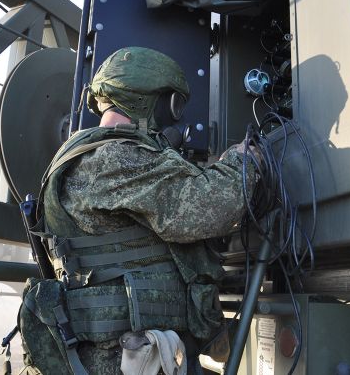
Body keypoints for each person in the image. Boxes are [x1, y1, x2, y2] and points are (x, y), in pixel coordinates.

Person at [18, 47, 256, 375]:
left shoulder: (89, 155)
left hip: (123, 354)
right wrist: (247, 158)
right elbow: (208, 205)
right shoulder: (114, 158)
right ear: (151, 102)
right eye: (175, 105)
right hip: (124, 358)